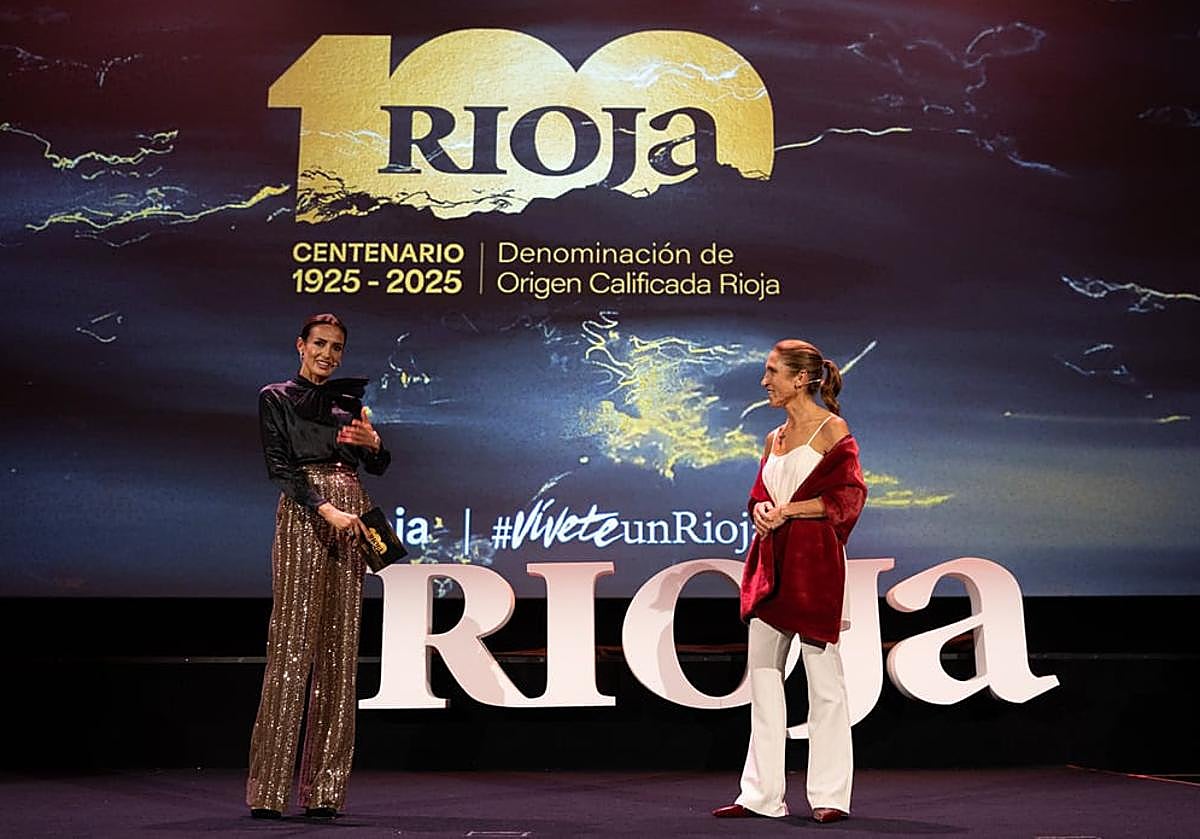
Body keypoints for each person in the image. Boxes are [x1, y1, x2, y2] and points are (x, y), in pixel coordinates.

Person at [712, 339, 867, 825]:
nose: (765, 381)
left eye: (772, 372)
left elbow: (847, 497)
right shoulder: (773, 437)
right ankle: (761, 794)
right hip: (769, 564)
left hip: (813, 564)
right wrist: (760, 509)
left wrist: (788, 511)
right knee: (763, 677)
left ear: (801, 378)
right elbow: (761, 494)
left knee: (825, 683)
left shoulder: (831, 429)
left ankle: (829, 795)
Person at [246, 313, 391, 820]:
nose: (328, 354)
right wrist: (324, 508)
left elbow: (373, 461)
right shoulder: (275, 397)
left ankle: (325, 791)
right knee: (291, 647)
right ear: (301, 346)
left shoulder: (349, 401)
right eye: (320, 344)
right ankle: (268, 790)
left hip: (351, 514)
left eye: (336, 347)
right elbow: (279, 466)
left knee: (339, 652)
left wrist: (375, 447)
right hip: (309, 513)